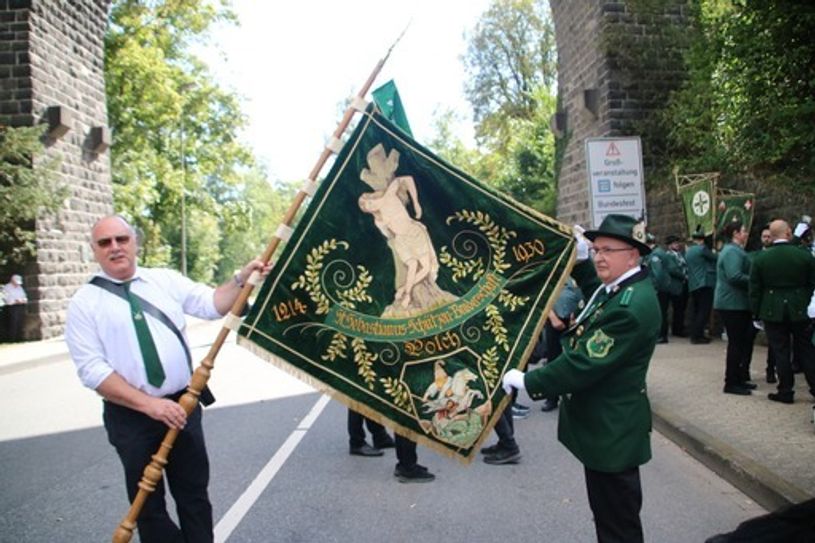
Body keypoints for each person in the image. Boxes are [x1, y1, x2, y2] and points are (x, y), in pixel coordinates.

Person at [65, 215, 270, 543]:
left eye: (122, 239)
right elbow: (92, 370)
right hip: (131, 416)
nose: (115, 247)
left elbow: (212, 304)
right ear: (94, 250)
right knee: (147, 507)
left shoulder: (164, 281)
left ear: (135, 242)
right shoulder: (84, 304)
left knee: (195, 498)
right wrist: (150, 406)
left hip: (183, 407)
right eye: (105, 243)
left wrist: (240, 279)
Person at [503, 214, 660, 543]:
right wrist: (579, 261)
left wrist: (528, 381)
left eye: (607, 250)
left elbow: (583, 363)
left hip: (612, 431)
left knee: (618, 524)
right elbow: (595, 291)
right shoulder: (621, 288)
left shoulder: (631, 307)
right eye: (596, 249)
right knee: (609, 516)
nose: (600, 256)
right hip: (606, 429)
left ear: (633, 253)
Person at [749, 219, 815, 404]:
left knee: (780, 351)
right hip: (800, 308)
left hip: (772, 309)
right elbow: (812, 282)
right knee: (806, 350)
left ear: (771, 236)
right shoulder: (804, 256)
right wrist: (805, 299)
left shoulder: (761, 258)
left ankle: (785, 391)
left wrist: (756, 312)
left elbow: (754, 289)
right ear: (788, 233)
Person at [713, 220, 756, 395]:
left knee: (741, 342)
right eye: (744, 231)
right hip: (732, 304)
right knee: (736, 344)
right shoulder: (732, 252)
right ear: (736, 233)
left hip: (736, 303)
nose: (746, 234)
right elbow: (735, 276)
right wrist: (755, 280)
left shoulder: (735, 251)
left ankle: (738, 378)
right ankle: (731, 382)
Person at [685, 232, 717, 344]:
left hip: (693, 284)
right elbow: (715, 258)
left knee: (696, 311)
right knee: (704, 311)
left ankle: (695, 334)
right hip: (704, 283)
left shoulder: (688, 251)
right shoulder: (702, 249)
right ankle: (698, 336)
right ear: (702, 240)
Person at [2, 274, 27, 341]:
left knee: (20, 322)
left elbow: (24, 296)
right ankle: (12, 338)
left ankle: (19, 338)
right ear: (12, 281)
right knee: (13, 323)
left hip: (20, 306)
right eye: (16, 282)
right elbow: (5, 298)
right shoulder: (7, 287)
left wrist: (23, 300)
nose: (17, 284)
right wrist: (15, 301)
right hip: (12, 307)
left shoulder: (20, 287)